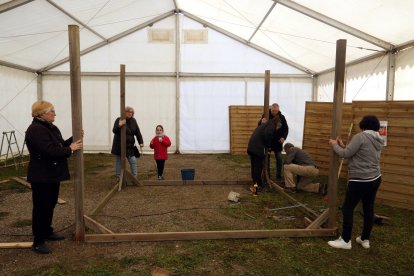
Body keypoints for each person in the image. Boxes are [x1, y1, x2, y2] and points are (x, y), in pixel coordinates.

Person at [25, 100, 82, 254]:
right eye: (52, 111)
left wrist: (73, 139)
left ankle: (47, 231)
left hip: (51, 175)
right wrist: (70, 149)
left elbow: (59, 145)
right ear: (42, 113)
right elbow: (49, 151)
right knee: (41, 207)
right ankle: (38, 241)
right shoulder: (36, 130)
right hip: (41, 176)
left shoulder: (49, 127)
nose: (54, 114)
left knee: (50, 204)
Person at [328, 115, 384, 250]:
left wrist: (335, 145)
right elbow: (359, 152)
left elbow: (346, 154)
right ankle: (365, 239)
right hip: (375, 178)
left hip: (360, 179)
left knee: (348, 208)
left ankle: (346, 240)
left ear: (363, 125)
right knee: (368, 208)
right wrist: (343, 145)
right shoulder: (378, 138)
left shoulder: (360, 137)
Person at [247, 117, 279, 194]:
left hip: (252, 147)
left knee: (254, 167)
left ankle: (257, 184)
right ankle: (256, 188)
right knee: (258, 168)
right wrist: (268, 146)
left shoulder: (265, 124)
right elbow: (267, 134)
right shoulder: (271, 125)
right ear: (277, 123)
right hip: (258, 148)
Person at [111, 106, 143, 178]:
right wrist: (120, 124)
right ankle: (119, 178)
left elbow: (137, 132)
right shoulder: (119, 119)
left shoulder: (133, 121)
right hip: (119, 146)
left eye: (131, 112)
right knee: (119, 162)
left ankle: (134, 177)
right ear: (124, 112)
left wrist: (141, 142)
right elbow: (114, 130)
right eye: (128, 112)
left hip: (130, 146)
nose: (130, 113)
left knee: (133, 161)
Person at [259, 103, 288, 182]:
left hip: (278, 143)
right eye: (273, 110)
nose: (274, 112)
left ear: (278, 110)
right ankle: (267, 176)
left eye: (276, 111)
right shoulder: (266, 116)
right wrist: (261, 122)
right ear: (271, 109)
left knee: (279, 159)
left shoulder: (282, 117)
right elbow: (259, 126)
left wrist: (283, 137)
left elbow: (286, 129)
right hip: (268, 142)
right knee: (266, 159)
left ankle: (278, 176)